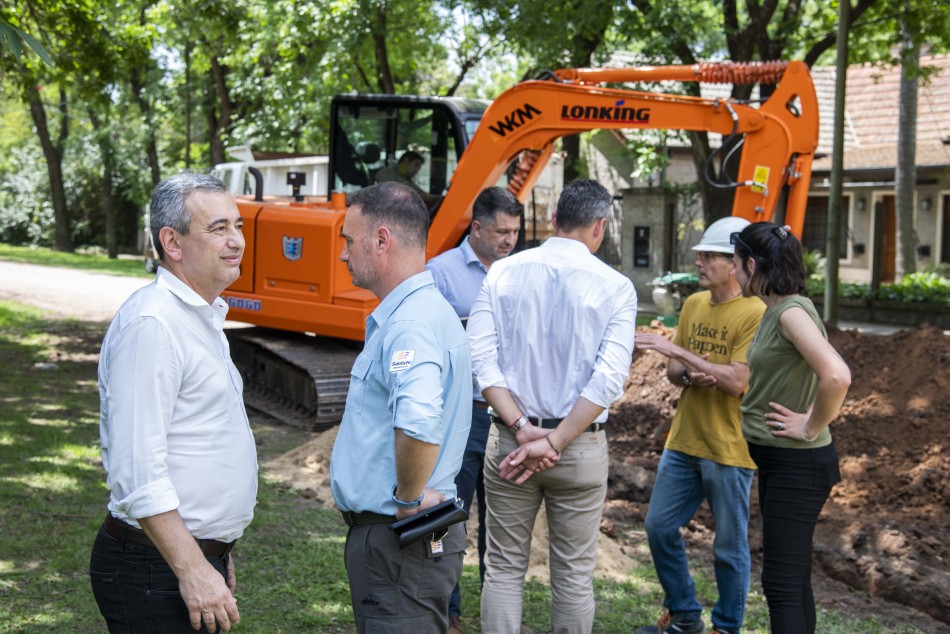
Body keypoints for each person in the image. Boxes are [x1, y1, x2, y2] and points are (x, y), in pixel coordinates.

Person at [90, 172, 258, 634]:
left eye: (238, 226)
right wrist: (192, 566)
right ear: (173, 242)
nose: (237, 241)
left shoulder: (198, 316)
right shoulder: (154, 324)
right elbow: (138, 471)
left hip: (184, 557)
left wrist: (214, 551)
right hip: (153, 568)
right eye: (218, 228)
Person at [468, 179, 637, 634]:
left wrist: (523, 428)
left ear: (556, 219)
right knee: (574, 576)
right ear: (600, 226)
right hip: (577, 447)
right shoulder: (617, 287)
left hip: (511, 443)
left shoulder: (501, 272)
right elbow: (608, 379)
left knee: (502, 567)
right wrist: (556, 440)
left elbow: (481, 361)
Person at [330, 181, 472, 633]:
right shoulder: (426, 311)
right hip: (400, 543)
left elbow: (418, 423)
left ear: (382, 240)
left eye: (349, 241)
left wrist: (408, 499)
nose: (343, 254)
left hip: (398, 540)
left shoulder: (410, 322)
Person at [635, 216, 765, 634]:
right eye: (701, 253)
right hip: (684, 440)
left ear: (736, 263)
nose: (699, 261)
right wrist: (693, 372)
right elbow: (674, 371)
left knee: (728, 547)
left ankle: (726, 627)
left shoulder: (757, 313)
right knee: (658, 526)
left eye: (710, 255)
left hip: (730, 448)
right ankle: (685, 614)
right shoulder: (693, 304)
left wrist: (692, 360)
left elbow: (738, 381)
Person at [731, 222, 851, 634]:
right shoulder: (777, 309)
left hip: (797, 465)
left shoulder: (791, 313)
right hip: (784, 464)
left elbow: (836, 375)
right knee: (792, 579)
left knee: (780, 583)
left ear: (751, 264)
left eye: (735, 262)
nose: (732, 271)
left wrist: (808, 426)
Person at [425, 186, 523, 634]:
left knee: (501, 522)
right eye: (502, 232)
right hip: (461, 414)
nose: (509, 240)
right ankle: (447, 612)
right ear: (477, 227)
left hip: (505, 417)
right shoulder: (441, 274)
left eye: (515, 232)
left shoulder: (521, 273)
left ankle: (498, 616)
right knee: (450, 514)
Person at [374, 150, 439, 207]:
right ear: (406, 160)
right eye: (416, 165)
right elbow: (393, 195)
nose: (417, 169)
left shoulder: (407, 178)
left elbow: (423, 194)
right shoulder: (386, 172)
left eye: (419, 167)